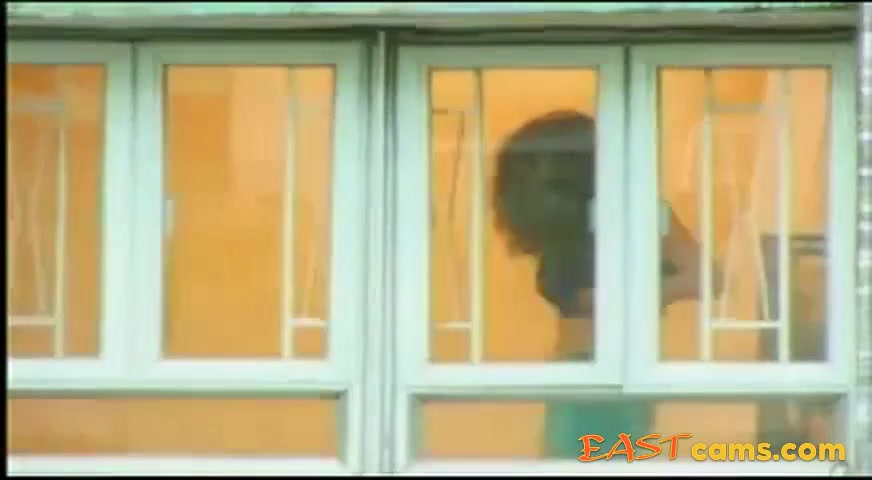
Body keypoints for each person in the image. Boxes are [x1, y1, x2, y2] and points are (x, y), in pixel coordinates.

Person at [492, 110, 709, 458]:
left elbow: (704, 278)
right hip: (576, 372)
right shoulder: (567, 219)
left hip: (615, 373)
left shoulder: (642, 211)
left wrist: (625, 298)